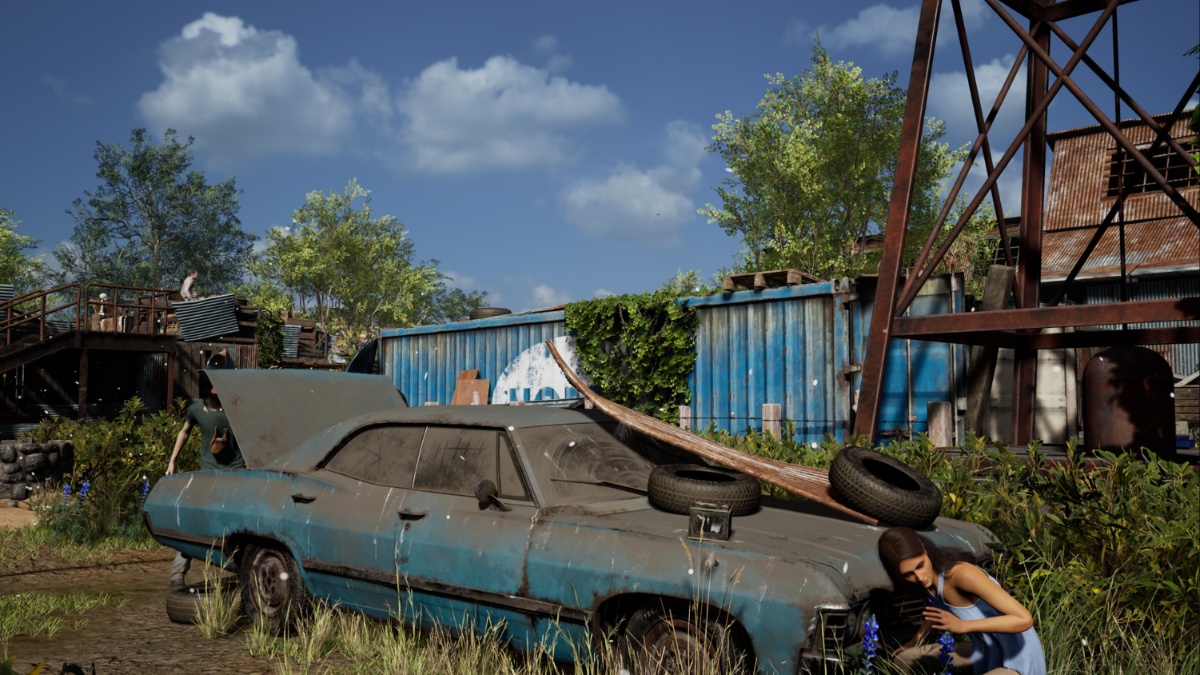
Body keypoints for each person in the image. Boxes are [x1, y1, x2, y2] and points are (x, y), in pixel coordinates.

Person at [877, 527, 1046, 675]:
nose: (919, 577)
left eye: (920, 565)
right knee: (904, 659)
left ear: (925, 551)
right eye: (908, 574)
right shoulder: (929, 582)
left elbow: (1025, 619)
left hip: (1017, 656)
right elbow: (936, 608)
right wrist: (915, 641)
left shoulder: (962, 575)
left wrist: (963, 626)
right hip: (984, 649)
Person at [165, 376, 244, 590]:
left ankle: (244, 569)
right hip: (208, 474)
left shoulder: (235, 407)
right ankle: (177, 574)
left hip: (235, 473)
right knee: (196, 522)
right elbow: (184, 432)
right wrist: (172, 461)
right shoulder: (197, 409)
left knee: (237, 523)